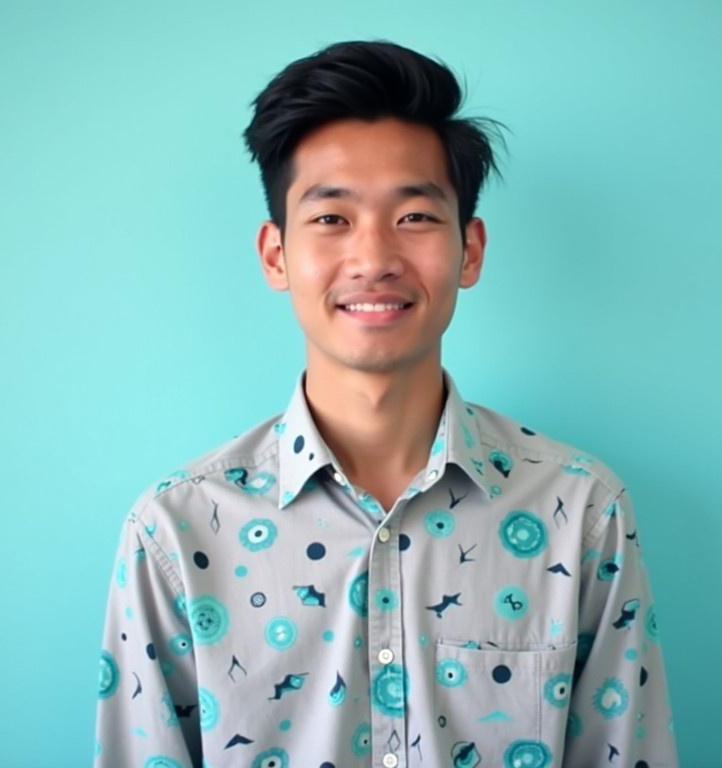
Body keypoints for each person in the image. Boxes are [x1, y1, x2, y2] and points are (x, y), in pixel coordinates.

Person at [94, 40, 678, 768]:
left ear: (470, 250)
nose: (373, 259)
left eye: (414, 217)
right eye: (332, 219)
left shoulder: (582, 514)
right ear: (276, 254)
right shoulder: (176, 534)